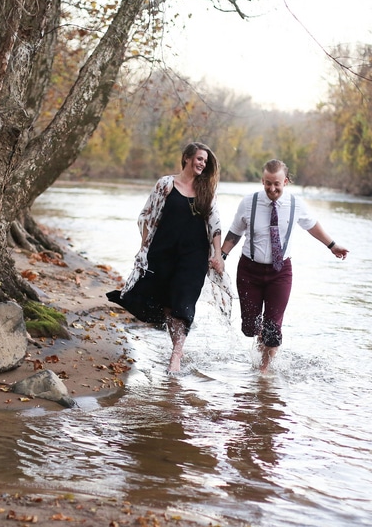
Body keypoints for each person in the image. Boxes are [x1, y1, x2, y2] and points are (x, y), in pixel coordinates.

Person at [107, 142, 228, 373]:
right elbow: (147, 216)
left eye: (205, 161)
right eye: (199, 159)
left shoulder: (207, 191)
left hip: (194, 257)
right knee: (167, 305)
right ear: (186, 158)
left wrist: (217, 254)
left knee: (183, 303)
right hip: (163, 252)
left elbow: (215, 224)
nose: (202, 164)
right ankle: (176, 348)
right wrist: (144, 248)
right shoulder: (166, 184)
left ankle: (176, 355)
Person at [219, 159, 349, 373]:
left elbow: (312, 226)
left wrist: (332, 245)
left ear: (285, 182)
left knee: (273, 328)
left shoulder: (295, 204)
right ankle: (262, 341)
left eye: (276, 184)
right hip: (249, 271)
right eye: (268, 183)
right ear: (262, 181)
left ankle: (263, 371)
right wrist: (221, 255)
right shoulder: (249, 202)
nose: (272, 188)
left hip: (280, 273)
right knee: (250, 327)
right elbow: (235, 232)